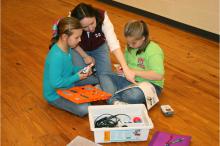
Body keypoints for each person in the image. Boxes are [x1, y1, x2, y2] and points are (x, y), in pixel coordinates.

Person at [99, 20, 165, 105]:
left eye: (133, 43)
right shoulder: (130, 46)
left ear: (143, 38)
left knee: (132, 96)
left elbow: (158, 75)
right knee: (103, 75)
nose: (130, 45)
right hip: (129, 80)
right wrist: (121, 68)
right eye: (128, 42)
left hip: (151, 84)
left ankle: (109, 93)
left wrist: (133, 71)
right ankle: (114, 100)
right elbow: (125, 64)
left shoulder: (154, 50)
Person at [43, 17, 98, 117]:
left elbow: (69, 68)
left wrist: (81, 71)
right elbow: (56, 83)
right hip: (55, 94)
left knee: (94, 80)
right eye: (77, 37)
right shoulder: (56, 56)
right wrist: (77, 77)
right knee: (84, 109)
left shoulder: (67, 48)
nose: (80, 40)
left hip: (68, 85)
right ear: (64, 37)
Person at [69, 3, 136, 85]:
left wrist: (125, 68)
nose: (91, 28)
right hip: (79, 48)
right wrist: (85, 56)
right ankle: (99, 77)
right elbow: (71, 42)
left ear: (94, 16)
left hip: (99, 47)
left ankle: (99, 76)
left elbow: (113, 44)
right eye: (85, 27)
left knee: (105, 76)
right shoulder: (71, 20)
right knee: (81, 78)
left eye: (92, 23)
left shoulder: (102, 16)